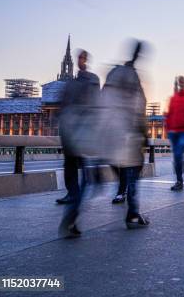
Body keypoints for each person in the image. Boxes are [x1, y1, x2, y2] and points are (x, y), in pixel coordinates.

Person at [99, 40, 150, 229]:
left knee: (122, 165)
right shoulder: (133, 78)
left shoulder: (113, 74)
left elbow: (103, 100)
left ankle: (122, 191)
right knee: (134, 168)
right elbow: (140, 105)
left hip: (112, 130)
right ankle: (133, 213)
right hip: (128, 130)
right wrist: (143, 132)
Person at [57, 50, 100, 237]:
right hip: (80, 135)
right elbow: (96, 108)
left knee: (77, 173)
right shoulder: (90, 82)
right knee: (87, 178)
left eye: (83, 58)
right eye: (80, 58)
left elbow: (63, 108)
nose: (81, 61)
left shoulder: (73, 84)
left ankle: (72, 207)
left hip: (72, 133)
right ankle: (72, 214)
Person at [166, 76, 184, 191]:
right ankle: (179, 180)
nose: (181, 83)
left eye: (183, 82)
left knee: (178, 154)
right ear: (178, 83)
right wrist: (168, 128)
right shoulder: (174, 98)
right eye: (180, 82)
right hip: (173, 131)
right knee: (177, 157)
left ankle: (180, 180)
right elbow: (170, 113)